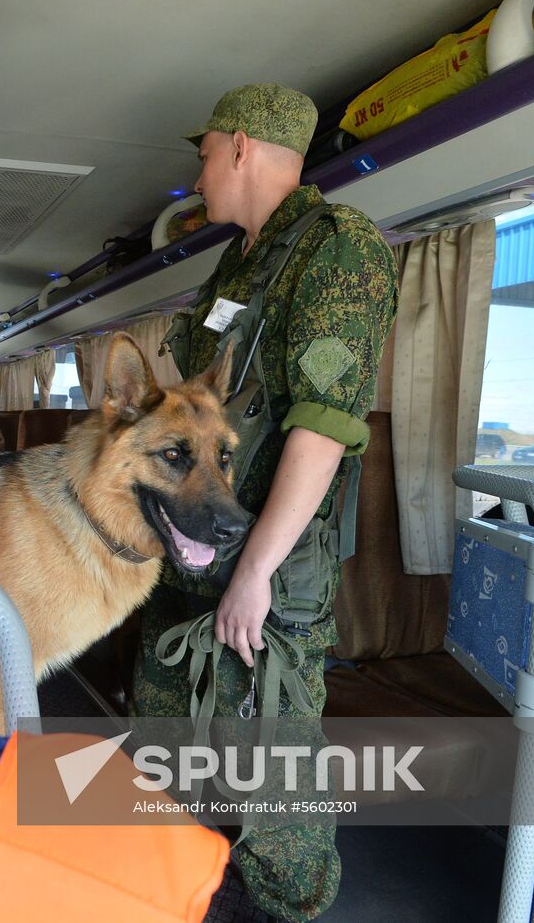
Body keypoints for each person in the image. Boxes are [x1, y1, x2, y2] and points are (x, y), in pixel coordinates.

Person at [132, 84, 398, 921]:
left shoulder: (337, 248)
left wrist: (256, 573)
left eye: (205, 153)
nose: (200, 174)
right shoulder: (238, 264)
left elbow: (322, 429)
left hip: (266, 574)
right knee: (163, 746)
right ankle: (170, 893)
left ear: (241, 147)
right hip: (195, 555)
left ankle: (290, 907)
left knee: (274, 781)